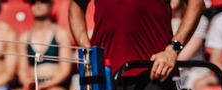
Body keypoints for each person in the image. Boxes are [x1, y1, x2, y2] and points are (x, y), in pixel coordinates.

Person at [68, 0, 205, 83]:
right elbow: (75, 6)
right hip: (105, 76)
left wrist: (173, 49)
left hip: (156, 73)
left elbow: (197, 3)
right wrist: (89, 53)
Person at [4, 0, 73, 90]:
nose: (38, 4)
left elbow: (65, 70)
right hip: (34, 85)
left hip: (56, 85)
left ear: (51, 5)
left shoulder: (61, 34)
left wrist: (45, 85)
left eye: (43, 1)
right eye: (34, 2)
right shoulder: (24, 37)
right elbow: (22, 70)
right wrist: (28, 82)